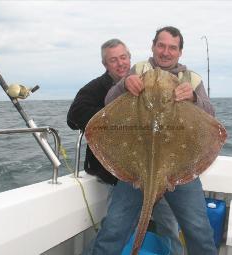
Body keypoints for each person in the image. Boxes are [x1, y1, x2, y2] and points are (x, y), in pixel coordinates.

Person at [88, 27, 217, 255]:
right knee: (114, 229)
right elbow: (109, 103)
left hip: (179, 169)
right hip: (137, 165)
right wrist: (124, 85)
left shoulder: (192, 79)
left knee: (199, 230)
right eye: (162, 45)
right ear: (153, 46)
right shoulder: (137, 71)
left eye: (172, 48)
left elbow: (210, 115)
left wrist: (194, 97)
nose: (166, 52)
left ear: (180, 52)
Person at [67, 39, 183, 254]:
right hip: (118, 173)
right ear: (105, 64)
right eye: (113, 60)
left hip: (158, 171)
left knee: (170, 227)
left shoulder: (143, 81)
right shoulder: (95, 88)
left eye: (123, 58)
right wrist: (114, 118)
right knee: (116, 229)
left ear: (129, 58)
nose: (120, 64)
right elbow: (74, 117)